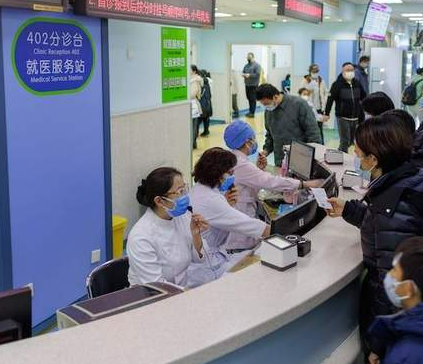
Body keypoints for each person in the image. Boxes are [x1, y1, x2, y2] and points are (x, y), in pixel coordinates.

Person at [326, 115, 423, 357]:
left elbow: (393, 288)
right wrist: (350, 210)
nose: (355, 155)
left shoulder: (391, 205)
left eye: (358, 152)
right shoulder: (415, 178)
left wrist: (380, 344)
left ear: (374, 159)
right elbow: (392, 226)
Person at [222, 121, 323, 250]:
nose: (254, 142)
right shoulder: (241, 164)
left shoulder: (236, 159)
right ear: (247, 142)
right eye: (253, 139)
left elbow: (250, 183)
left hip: (243, 216)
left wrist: (259, 169)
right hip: (240, 234)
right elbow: (270, 181)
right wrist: (304, 184)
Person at [188, 148, 270, 286]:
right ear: (218, 173)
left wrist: (227, 204)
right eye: (230, 173)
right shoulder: (211, 199)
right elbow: (250, 225)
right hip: (208, 265)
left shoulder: (201, 189)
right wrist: (283, 230)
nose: (232, 177)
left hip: (212, 256)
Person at [126, 167, 210, 288]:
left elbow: (201, 259)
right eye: (180, 191)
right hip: (153, 295)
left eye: (185, 189)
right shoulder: (141, 236)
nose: (185, 196)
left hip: (182, 290)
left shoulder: (183, 216)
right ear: (159, 201)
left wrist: (196, 236)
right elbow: (156, 287)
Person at [256, 84, 323, 166]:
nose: (266, 107)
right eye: (263, 104)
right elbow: (270, 135)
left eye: (266, 104)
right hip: (280, 161)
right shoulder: (268, 111)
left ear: (275, 97)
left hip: (301, 160)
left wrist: (311, 159)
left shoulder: (299, 105)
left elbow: (313, 133)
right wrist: (265, 151)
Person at [323, 62, 367, 152]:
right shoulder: (337, 84)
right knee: (345, 141)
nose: (350, 72)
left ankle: (340, 153)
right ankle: (342, 157)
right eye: (347, 70)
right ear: (343, 72)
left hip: (356, 117)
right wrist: (327, 113)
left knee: (352, 141)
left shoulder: (357, 83)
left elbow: (364, 97)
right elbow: (330, 99)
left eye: (351, 70)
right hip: (343, 117)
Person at [242, 52, 262, 117]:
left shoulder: (257, 65)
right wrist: (243, 74)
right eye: (247, 57)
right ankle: (250, 111)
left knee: (253, 99)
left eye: (249, 57)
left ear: (253, 57)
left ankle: (252, 113)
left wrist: (249, 75)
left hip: (254, 85)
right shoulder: (246, 65)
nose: (248, 59)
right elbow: (243, 72)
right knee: (249, 98)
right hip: (247, 85)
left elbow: (257, 75)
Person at [190, 65, 204, 149]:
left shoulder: (195, 81)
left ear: (194, 71)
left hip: (193, 105)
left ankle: (192, 143)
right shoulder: (191, 80)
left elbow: (192, 94)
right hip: (190, 105)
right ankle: (193, 143)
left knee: (193, 126)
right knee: (192, 126)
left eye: (189, 69)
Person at [199, 69, 213, 137]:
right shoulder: (209, 80)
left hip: (203, 102)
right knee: (206, 117)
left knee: (199, 119)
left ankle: (195, 134)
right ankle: (206, 131)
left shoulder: (202, 82)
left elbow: (199, 94)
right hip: (208, 101)